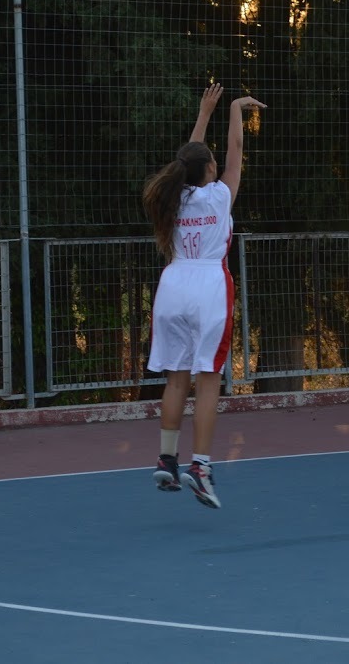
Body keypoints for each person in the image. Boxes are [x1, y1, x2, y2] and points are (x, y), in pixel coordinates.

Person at [143, 84, 266, 507]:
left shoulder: (173, 198)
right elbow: (235, 149)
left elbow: (189, 157)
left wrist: (203, 113)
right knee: (209, 378)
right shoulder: (220, 195)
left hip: (173, 286)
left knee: (177, 377)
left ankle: (166, 458)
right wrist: (234, 110)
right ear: (210, 169)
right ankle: (200, 466)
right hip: (208, 286)